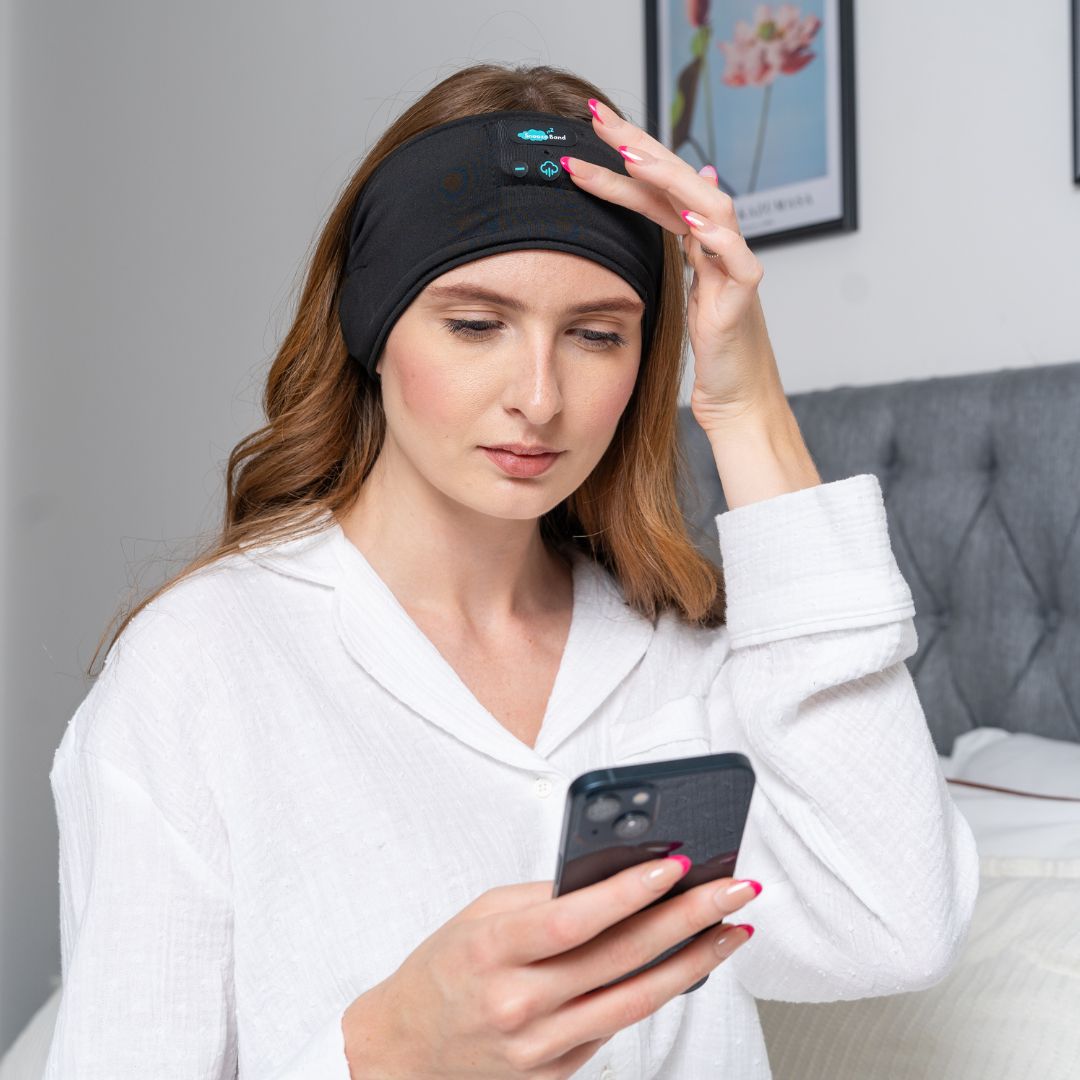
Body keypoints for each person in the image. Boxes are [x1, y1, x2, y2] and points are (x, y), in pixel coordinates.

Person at [42, 63, 979, 1079]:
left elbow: (891, 923)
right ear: (372, 328)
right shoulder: (199, 668)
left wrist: (748, 409)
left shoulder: (691, 654)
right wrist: (386, 1053)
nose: (539, 397)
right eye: (476, 324)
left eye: (596, 335)